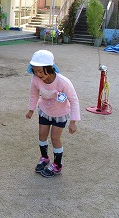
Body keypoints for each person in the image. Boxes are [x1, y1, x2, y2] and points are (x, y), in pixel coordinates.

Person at [25, 50, 80, 178]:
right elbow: (33, 94)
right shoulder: (35, 79)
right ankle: (44, 158)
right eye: (35, 71)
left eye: (40, 71)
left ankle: (57, 165)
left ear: (49, 68)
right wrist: (31, 110)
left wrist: (73, 121)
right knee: (42, 135)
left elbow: (74, 100)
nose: (38, 74)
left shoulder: (63, 82)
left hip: (60, 113)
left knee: (55, 138)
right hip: (44, 110)